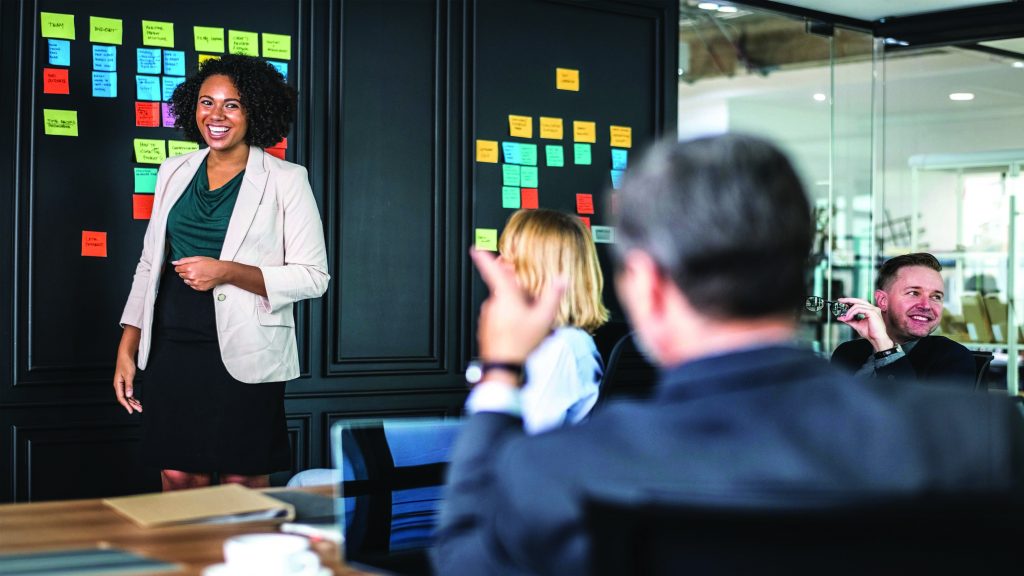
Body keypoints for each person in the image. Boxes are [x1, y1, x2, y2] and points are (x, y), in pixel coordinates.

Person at [434, 134, 1024, 574]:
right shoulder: (979, 439)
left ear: (646, 285)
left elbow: (462, 559)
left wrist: (501, 372)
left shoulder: (563, 469)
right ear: (800, 274)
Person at [112, 55, 329, 491]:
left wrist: (226, 271)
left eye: (232, 104)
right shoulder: (173, 170)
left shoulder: (287, 179)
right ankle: (189, 562)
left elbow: (313, 276)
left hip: (247, 352)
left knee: (241, 479)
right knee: (177, 473)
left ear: (256, 111)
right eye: (207, 102)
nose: (216, 115)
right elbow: (149, 263)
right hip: (173, 346)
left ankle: (242, 562)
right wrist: (128, 344)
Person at [496, 208, 608, 434]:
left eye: (510, 259)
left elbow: (525, 445)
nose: (497, 265)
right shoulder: (549, 342)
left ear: (542, 273)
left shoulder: (561, 348)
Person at [832, 253, 975, 387]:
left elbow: (917, 411)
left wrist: (885, 349)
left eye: (936, 296)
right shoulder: (847, 353)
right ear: (882, 300)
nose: (926, 306)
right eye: (913, 293)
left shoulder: (953, 359)